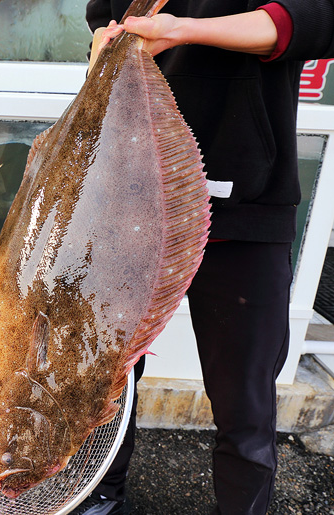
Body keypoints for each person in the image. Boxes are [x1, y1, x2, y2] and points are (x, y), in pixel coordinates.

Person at [73, 2, 334, 515]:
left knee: (246, 403)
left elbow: (314, 22)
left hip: (246, 209)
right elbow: (102, 20)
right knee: (103, 378)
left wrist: (186, 29)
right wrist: (100, 51)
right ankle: (96, 495)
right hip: (132, 204)